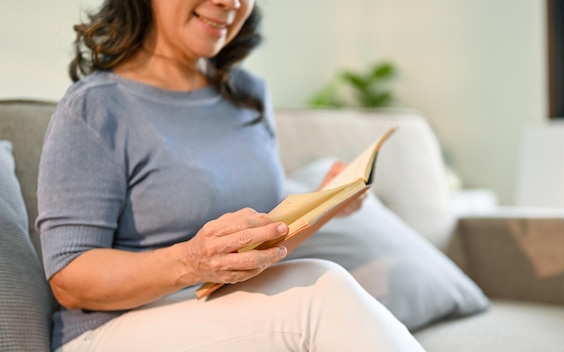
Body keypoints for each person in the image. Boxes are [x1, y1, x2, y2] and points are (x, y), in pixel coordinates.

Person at [36, 0, 426, 351]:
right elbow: (69, 279)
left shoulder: (247, 94)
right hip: (108, 331)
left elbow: (256, 243)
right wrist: (191, 261)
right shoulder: (95, 107)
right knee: (320, 290)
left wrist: (325, 203)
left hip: (220, 310)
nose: (229, 3)